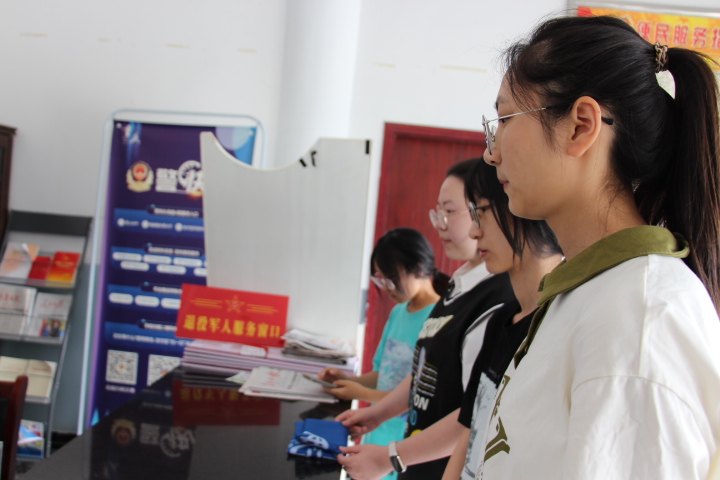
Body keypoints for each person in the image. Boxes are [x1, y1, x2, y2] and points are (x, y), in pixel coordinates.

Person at [477, 15, 720, 480]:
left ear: (581, 126)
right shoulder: (597, 292)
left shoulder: (640, 319)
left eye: (505, 120)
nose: (492, 152)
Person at [335, 159, 516, 480]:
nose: (440, 224)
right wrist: (377, 414)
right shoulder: (459, 286)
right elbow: (426, 373)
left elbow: (474, 413)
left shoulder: (498, 297)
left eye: (450, 211)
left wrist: (391, 457)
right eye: (438, 212)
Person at [441, 159, 562, 480]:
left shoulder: (556, 327)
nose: (474, 231)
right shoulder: (502, 320)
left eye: (480, 212)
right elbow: (470, 430)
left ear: (524, 206)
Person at [318, 228, 447, 480]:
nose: (386, 287)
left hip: (405, 445)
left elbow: (419, 397)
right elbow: (382, 373)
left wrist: (360, 393)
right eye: (381, 279)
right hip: (376, 434)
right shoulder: (398, 312)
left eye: (391, 278)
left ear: (419, 268)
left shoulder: (439, 320)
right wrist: (346, 381)